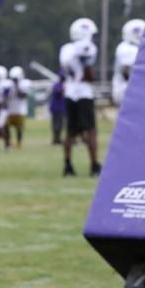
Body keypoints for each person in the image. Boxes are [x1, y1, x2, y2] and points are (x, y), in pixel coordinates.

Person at [59, 17, 101, 177]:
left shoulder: (65, 49)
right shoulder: (86, 47)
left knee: (70, 132)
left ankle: (68, 166)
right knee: (90, 131)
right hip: (83, 92)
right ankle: (94, 165)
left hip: (69, 90)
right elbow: (89, 74)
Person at [112, 18, 144, 107]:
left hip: (128, 89)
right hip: (126, 89)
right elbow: (125, 71)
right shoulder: (127, 48)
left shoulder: (131, 47)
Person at [5, 66, 31, 148]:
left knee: (19, 128)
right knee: (5, 126)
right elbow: (6, 96)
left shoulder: (25, 83)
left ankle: (19, 143)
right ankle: (9, 142)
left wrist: (16, 85)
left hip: (20, 110)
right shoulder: (8, 84)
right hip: (10, 110)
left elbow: (23, 96)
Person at [48, 74, 65, 145]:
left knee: (60, 124)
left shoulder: (62, 84)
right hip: (56, 107)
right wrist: (64, 88)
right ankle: (55, 139)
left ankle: (58, 139)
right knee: (56, 124)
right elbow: (58, 92)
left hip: (60, 107)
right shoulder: (58, 84)